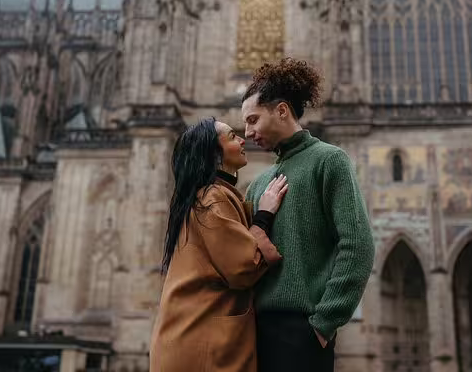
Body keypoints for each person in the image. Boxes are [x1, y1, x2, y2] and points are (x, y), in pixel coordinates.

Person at [241, 58, 375, 372]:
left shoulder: (330, 160)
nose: (247, 132)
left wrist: (323, 324)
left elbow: (358, 245)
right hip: (252, 333)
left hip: (302, 333)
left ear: (282, 111)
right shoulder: (258, 183)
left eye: (253, 120)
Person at [150, 118, 288, 372]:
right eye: (232, 137)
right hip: (204, 345)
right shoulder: (211, 199)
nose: (242, 139)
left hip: (195, 336)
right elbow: (245, 268)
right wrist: (264, 215)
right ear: (214, 155)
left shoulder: (207, 195)